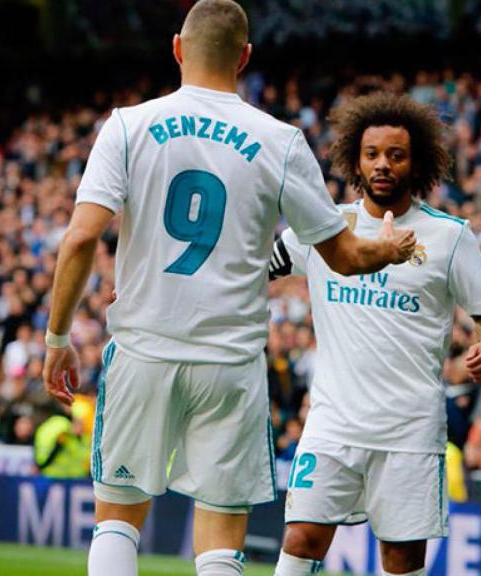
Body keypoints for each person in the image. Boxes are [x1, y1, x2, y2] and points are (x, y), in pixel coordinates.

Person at [41, 3, 416, 575]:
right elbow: (343, 256)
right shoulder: (281, 140)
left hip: (143, 348)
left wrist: (57, 336)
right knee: (219, 537)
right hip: (230, 362)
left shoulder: (127, 125)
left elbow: (80, 238)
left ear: (176, 48)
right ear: (244, 57)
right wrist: (388, 250)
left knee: (117, 519)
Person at [268, 92, 481, 576]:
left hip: (409, 428)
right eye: (372, 154)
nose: (382, 165)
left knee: (401, 559)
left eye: (396, 155)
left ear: (415, 163)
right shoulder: (325, 227)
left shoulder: (449, 236)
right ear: (355, 159)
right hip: (333, 422)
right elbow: (251, 267)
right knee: (302, 536)